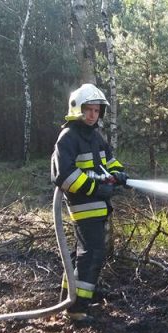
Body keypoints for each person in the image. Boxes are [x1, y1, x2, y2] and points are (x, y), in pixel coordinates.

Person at [51, 83, 128, 320]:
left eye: (97, 111)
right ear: (77, 109)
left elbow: (108, 162)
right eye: (89, 110)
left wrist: (119, 174)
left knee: (83, 253)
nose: (93, 115)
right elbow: (63, 176)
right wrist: (97, 189)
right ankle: (77, 308)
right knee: (92, 252)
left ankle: (71, 294)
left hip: (98, 205)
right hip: (83, 206)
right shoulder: (69, 137)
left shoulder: (95, 137)